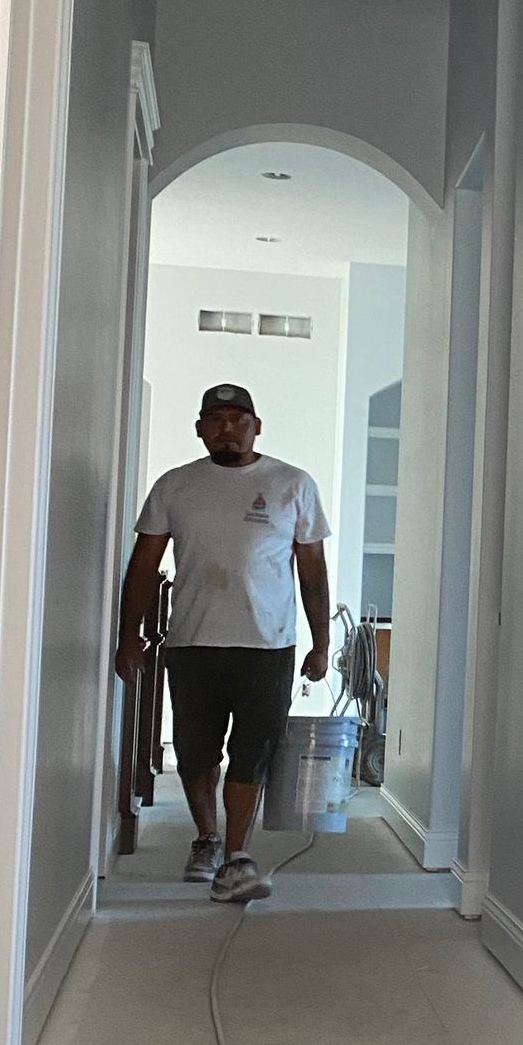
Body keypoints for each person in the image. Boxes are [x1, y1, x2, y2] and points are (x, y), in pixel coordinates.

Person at [114, 382, 332, 901]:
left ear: (257, 427)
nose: (228, 428)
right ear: (200, 429)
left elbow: (313, 570)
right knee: (195, 753)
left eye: (239, 419)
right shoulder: (175, 487)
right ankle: (206, 838)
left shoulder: (291, 484)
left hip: (268, 646)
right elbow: (143, 567)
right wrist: (129, 637)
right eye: (216, 419)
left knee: (252, 752)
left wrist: (320, 642)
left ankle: (237, 856)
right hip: (193, 642)